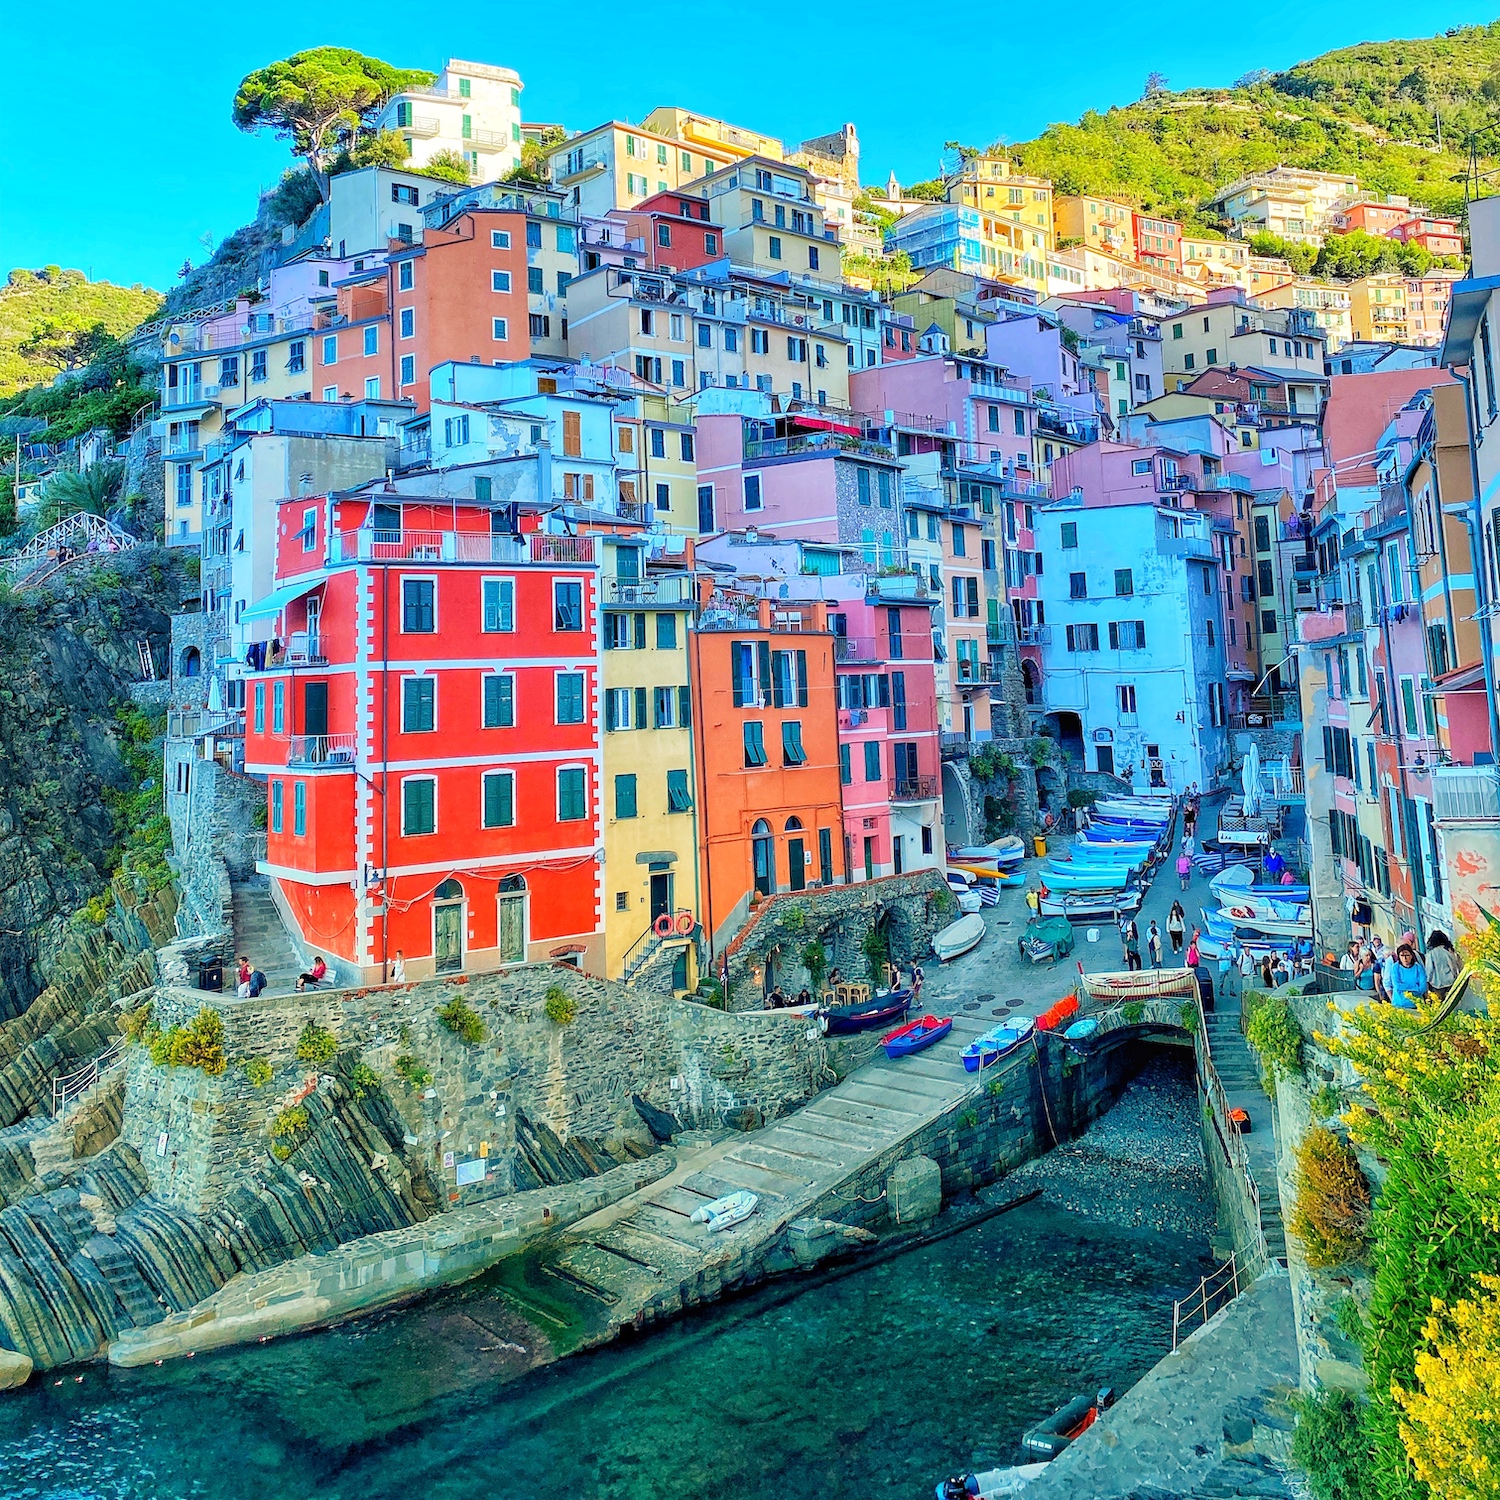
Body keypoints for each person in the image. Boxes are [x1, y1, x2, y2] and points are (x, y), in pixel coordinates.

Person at [1424, 931, 1459, 1002]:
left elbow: (1429, 970)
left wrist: (1428, 981)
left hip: (1437, 984)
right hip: (1450, 982)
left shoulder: (1431, 953)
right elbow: (1453, 966)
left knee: (1439, 1005)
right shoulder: (1448, 951)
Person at [1390, 944, 1427, 1010]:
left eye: (1407, 955)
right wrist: (1415, 987)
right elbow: (1397, 986)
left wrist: (1404, 986)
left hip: (1416, 1004)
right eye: (1402, 955)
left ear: (1411, 956)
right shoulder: (1395, 967)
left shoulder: (1418, 968)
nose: (1405, 958)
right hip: (1399, 1004)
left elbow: (1423, 988)